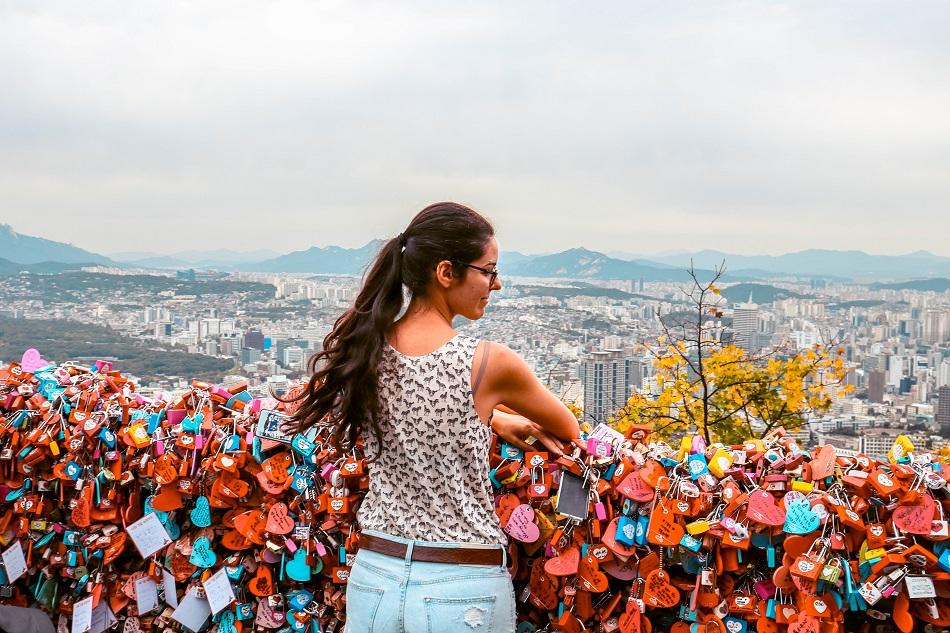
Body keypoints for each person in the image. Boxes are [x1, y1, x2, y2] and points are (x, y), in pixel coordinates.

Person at [291, 202, 580, 633]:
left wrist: (490, 419)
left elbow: (417, 407)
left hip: (374, 579)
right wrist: (495, 414)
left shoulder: (365, 349)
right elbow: (568, 429)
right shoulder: (487, 364)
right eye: (489, 270)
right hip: (462, 587)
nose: (495, 285)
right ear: (446, 273)